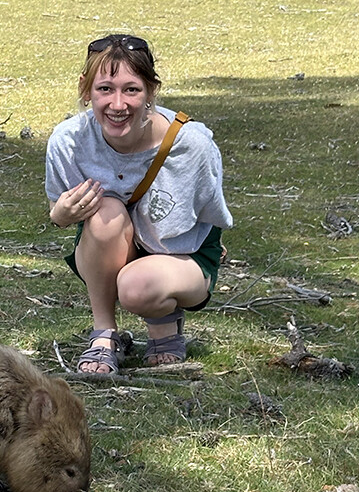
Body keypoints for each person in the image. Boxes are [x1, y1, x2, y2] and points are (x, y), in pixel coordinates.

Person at [45, 34, 233, 374]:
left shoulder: (192, 145)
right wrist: (59, 215)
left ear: (151, 91)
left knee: (137, 285)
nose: (118, 105)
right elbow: (61, 209)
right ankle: (104, 334)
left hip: (182, 254)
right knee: (105, 211)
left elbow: (210, 220)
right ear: (85, 90)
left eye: (131, 89)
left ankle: (163, 320)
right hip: (108, 247)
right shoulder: (68, 141)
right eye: (105, 89)